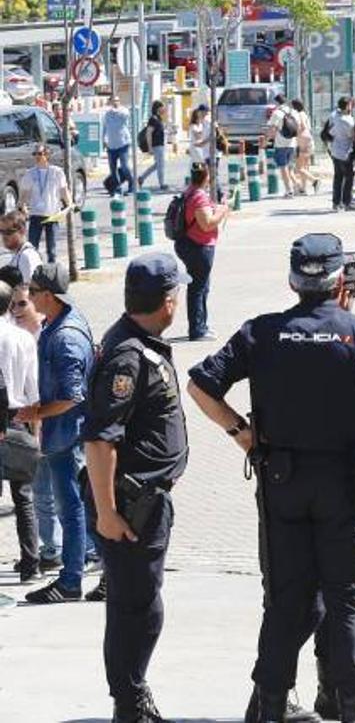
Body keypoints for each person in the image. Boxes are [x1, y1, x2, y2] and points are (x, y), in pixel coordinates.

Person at [187, 234, 355, 723]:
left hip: (282, 483)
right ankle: (353, 707)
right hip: (345, 484)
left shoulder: (262, 331)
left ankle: (271, 707)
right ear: (341, 279)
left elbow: (199, 385)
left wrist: (242, 434)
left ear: (292, 280)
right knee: (347, 599)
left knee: (285, 598)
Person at [81, 253, 190, 723]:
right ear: (168, 303)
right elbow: (100, 440)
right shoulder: (128, 355)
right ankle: (130, 700)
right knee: (136, 607)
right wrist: (107, 511)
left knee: (138, 602)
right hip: (129, 505)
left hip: (141, 499)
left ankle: (131, 692)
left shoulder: (138, 342)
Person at [19, 263, 95, 604]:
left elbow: (71, 396)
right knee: (80, 506)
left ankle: (70, 581)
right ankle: (103, 572)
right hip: (66, 435)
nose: (29, 298)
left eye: (33, 293)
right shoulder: (62, 322)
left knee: (72, 509)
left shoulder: (65, 337)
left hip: (67, 436)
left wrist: (36, 413)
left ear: (48, 295)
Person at [0, 280, 40, 581]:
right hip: (21, 416)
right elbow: (33, 388)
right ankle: (31, 563)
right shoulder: (23, 338)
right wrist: (35, 427)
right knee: (24, 497)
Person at [173, 163, 229, 342]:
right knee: (198, 288)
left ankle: (201, 325)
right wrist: (222, 211)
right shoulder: (199, 197)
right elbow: (207, 224)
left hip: (191, 244)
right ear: (207, 178)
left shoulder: (190, 191)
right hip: (199, 246)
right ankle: (197, 329)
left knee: (201, 286)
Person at [19, 143, 71, 263]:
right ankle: (34, 273)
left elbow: (63, 190)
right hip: (36, 215)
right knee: (32, 248)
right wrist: (22, 206)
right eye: (35, 154)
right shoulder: (30, 173)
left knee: (51, 250)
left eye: (40, 154)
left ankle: (51, 275)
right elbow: (24, 193)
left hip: (52, 215)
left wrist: (69, 204)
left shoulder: (57, 172)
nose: (37, 156)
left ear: (47, 155)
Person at [326, 97, 355, 212]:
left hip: (334, 150)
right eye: (350, 105)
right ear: (347, 106)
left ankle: (336, 203)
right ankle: (346, 202)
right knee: (349, 178)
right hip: (345, 151)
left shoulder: (333, 115)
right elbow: (352, 136)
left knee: (338, 177)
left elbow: (330, 131)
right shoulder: (347, 121)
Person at [102, 96, 134, 195]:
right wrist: (103, 139)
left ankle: (132, 184)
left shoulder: (123, 111)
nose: (115, 103)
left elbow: (126, 116)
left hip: (123, 143)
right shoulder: (107, 114)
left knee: (125, 166)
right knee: (112, 168)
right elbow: (105, 127)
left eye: (116, 101)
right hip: (111, 145)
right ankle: (117, 187)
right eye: (113, 101)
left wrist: (116, 110)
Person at [0, 210, 43, 281]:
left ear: (22, 231)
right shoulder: (18, 252)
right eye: (1, 231)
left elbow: (31, 289)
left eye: (8, 232)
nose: (4, 236)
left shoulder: (27, 256)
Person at [137, 101, 168, 191]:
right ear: (158, 108)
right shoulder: (153, 119)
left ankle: (141, 178)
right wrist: (150, 148)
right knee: (161, 165)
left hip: (160, 145)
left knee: (157, 165)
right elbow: (148, 133)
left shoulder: (158, 119)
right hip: (156, 145)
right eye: (162, 107)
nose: (164, 109)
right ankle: (162, 184)